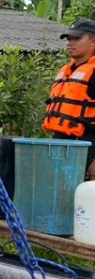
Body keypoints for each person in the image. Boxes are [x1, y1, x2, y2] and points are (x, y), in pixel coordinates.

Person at [43, 18, 95, 180]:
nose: (70, 43)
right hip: (61, 144)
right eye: (68, 39)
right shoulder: (67, 70)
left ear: (93, 41)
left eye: (77, 38)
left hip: (88, 146)